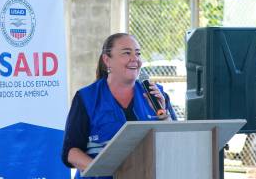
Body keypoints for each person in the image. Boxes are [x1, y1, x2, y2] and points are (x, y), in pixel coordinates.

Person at [61, 33, 177, 179]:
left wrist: (164, 115)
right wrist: (103, 170)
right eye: (127, 53)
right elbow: (71, 152)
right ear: (107, 60)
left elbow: (175, 142)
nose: (135, 59)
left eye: (138, 53)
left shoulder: (156, 94)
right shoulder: (87, 98)